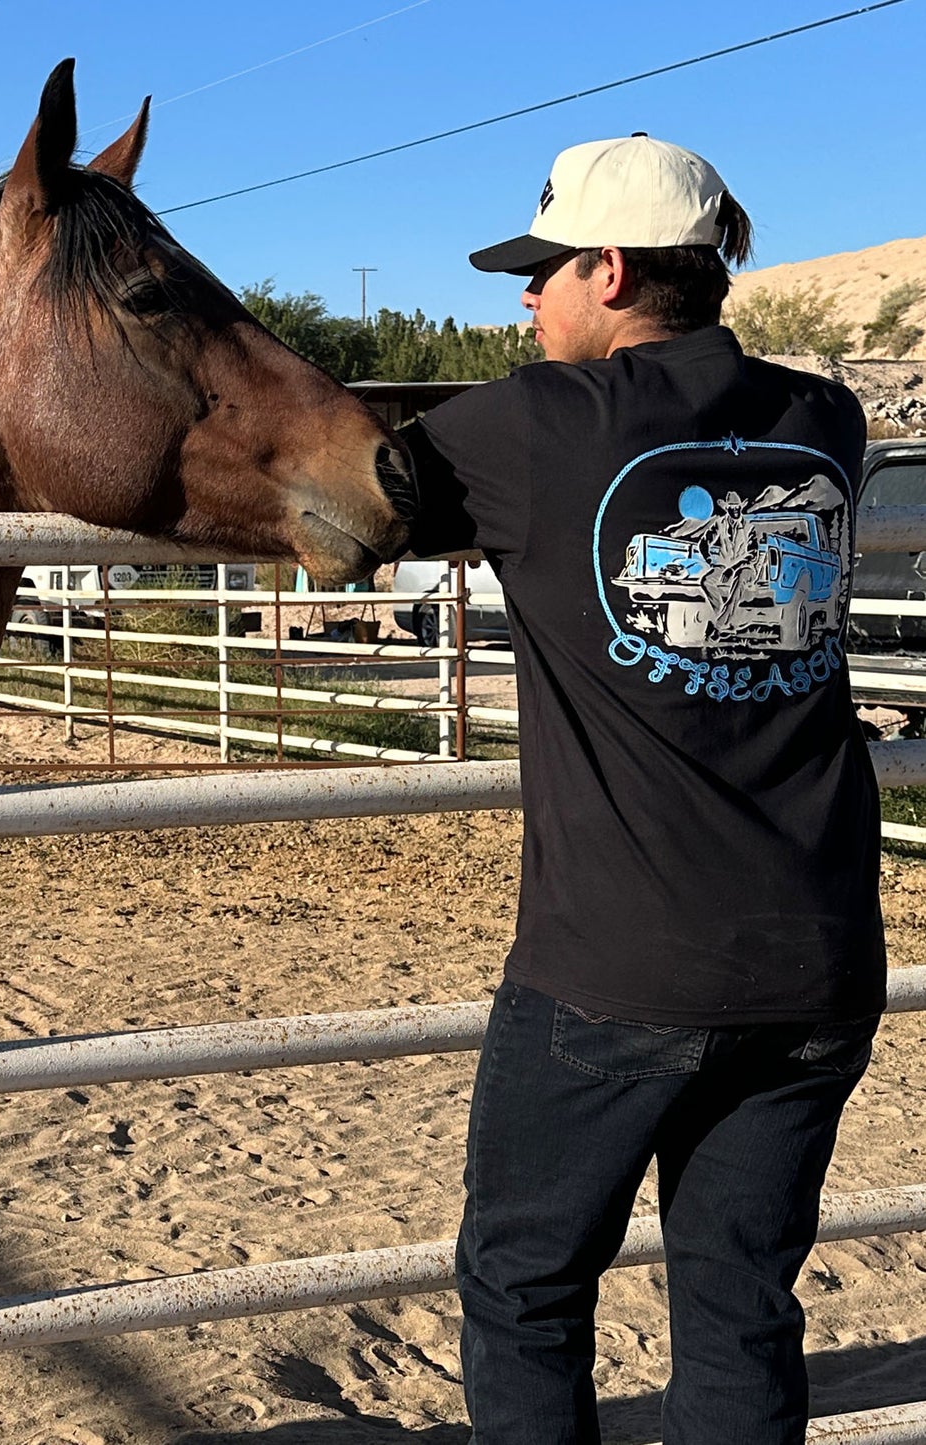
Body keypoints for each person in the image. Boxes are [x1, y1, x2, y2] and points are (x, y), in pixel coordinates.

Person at [398, 135, 884, 1444]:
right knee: (737, 1300)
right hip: (819, 955)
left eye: (539, 271)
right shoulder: (823, 420)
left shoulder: (529, 426)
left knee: (524, 1280)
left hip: (613, 967)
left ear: (606, 270)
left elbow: (352, 501)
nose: (522, 299)